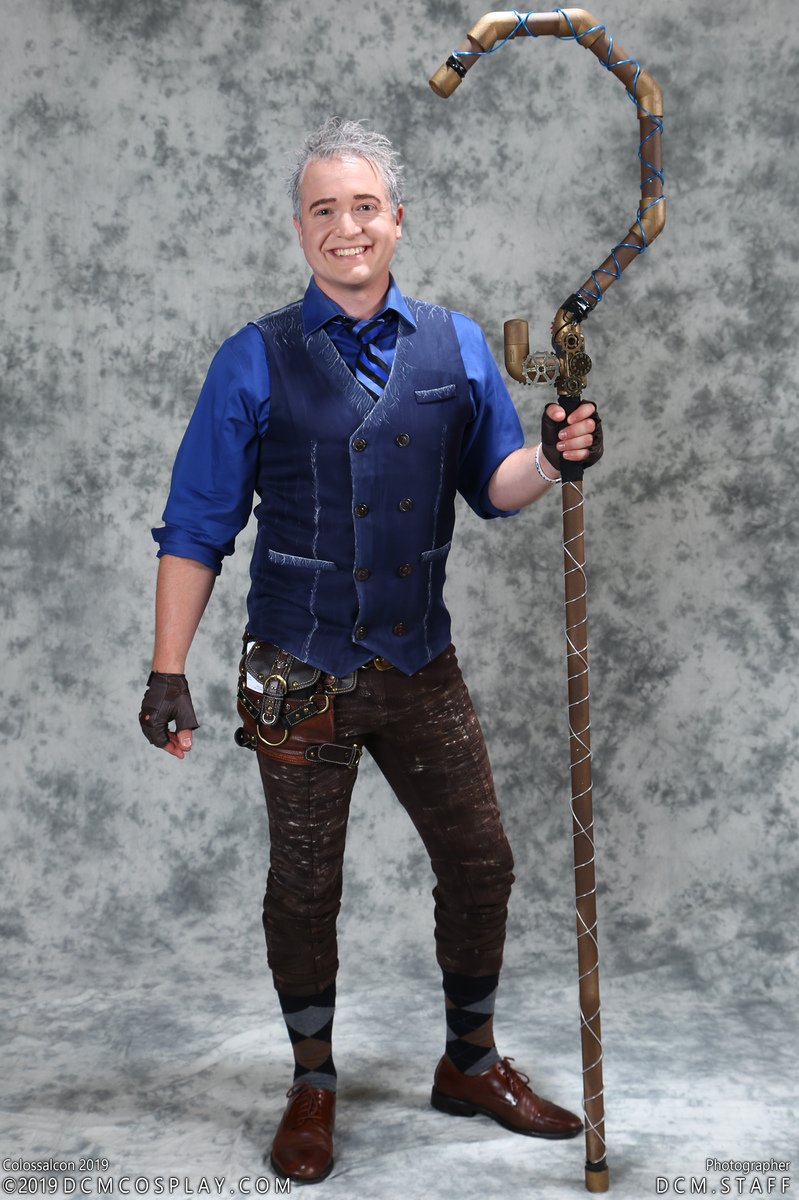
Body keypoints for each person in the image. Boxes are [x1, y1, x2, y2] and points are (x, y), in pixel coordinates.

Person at [140, 117, 602, 1185]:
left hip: (418, 660)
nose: (344, 227)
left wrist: (550, 457)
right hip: (292, 668)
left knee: (481, 864)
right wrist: (167, 670)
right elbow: (196, 525)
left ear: (397, 219)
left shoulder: (456, 344)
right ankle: (312, 1083)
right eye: (323, 209)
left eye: (363, 207)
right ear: (300, 227)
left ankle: (469, 1062)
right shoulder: (252, 357)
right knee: (304, 887)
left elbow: (495, 488)